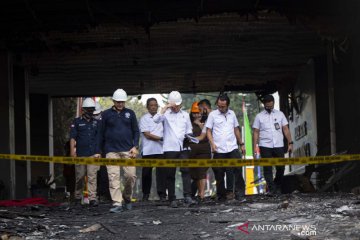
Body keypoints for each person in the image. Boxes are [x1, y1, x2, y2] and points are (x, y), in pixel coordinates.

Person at [98, 89, 140, 213]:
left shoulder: (130, 113)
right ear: (114, 101)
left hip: (128, 150)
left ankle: (127, 198)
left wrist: (135, 146)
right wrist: (99, 151)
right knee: (113, 177)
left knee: (131, 176)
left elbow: (136, 131)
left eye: (122, 102)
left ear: (125, 101)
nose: (120, 104)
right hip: (111, 151)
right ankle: (117, 202)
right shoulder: (105, 114)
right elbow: (100, 134)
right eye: (118, 102)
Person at [153, 91, 194, 207]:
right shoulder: (165, 114)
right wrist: (165, 107)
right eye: (174, 105)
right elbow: (155, 119)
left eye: (178, 105)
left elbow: (189, 130)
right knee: (170, 173)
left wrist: (190, 138)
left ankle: (188, 196)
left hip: (183, 147)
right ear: (170, 104)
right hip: (169, 148)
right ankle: (172, 198)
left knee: (186, 171)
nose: (176, 107)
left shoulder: (185, 115)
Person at [206, 93, 246, 201]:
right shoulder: (213, 115)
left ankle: (239, 194)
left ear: (227, 105)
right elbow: (208, 131)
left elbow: (236, 129)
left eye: (223, 106)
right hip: (218, 149)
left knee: (237, 169)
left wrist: (241, 144)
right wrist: (212, 144)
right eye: (219, 106)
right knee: (219, 172)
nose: (220, 108)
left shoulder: (232, 114)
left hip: (232, 147)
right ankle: (221, 195)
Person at [252, 94, 293, 195]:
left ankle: (277, 185)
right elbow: (256, 132)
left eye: (271, 106)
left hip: (279, 145)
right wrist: (254, 147)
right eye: (267, 106)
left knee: (281, 167)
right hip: (265, 145)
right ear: (264, 104)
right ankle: (271, 189)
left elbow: (285, 129)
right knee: (267, 168)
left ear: (273, 103)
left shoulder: (280, 114)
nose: (269, 108)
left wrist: (290, 142)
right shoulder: (259, 116)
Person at [69, 98, 101, 207]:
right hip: (80, 154)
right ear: (83, 110)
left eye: (92, 109)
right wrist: (72, 151)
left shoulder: (97, 123)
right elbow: (72, 137)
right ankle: (78, 197)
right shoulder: (77, 122)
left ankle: (92, 198)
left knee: (92, 177)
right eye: (88, 109)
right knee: (80, 177)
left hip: (93, 154)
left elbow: (99, 138)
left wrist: (98, 152)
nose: (90, 112)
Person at [139, 98, 164, 201]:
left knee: (162, 173)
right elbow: (147, 135)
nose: (153, 107)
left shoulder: (162, 118)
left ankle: (162, 194)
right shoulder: (144, 118)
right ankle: (145, 194)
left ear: (157, 106)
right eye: (151, 105)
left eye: (155, 105)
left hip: (160, 150)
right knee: (146, 173)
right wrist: (161, 138)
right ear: (147, 107)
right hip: (147, 150)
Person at [188, 102, 211, 202]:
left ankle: (201, 194)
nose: (197, 115)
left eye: (199, 113)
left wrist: (200, 125)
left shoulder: (208, 121)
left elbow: (208, 133)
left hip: (204, 150)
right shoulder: (188, 122)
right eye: (194, 113)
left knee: (202, 171)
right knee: (195, 174)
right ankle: (198, 194)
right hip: (192, 151)